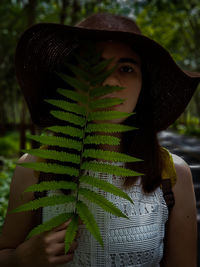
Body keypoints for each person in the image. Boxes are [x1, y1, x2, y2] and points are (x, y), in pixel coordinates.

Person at [0, 12, 200, 267]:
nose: (109, 82)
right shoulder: (36, 170)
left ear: (143, 86)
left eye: (126, 69)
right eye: (91, 68)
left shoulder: (172, 175)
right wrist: (21, 259)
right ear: (70, 83)